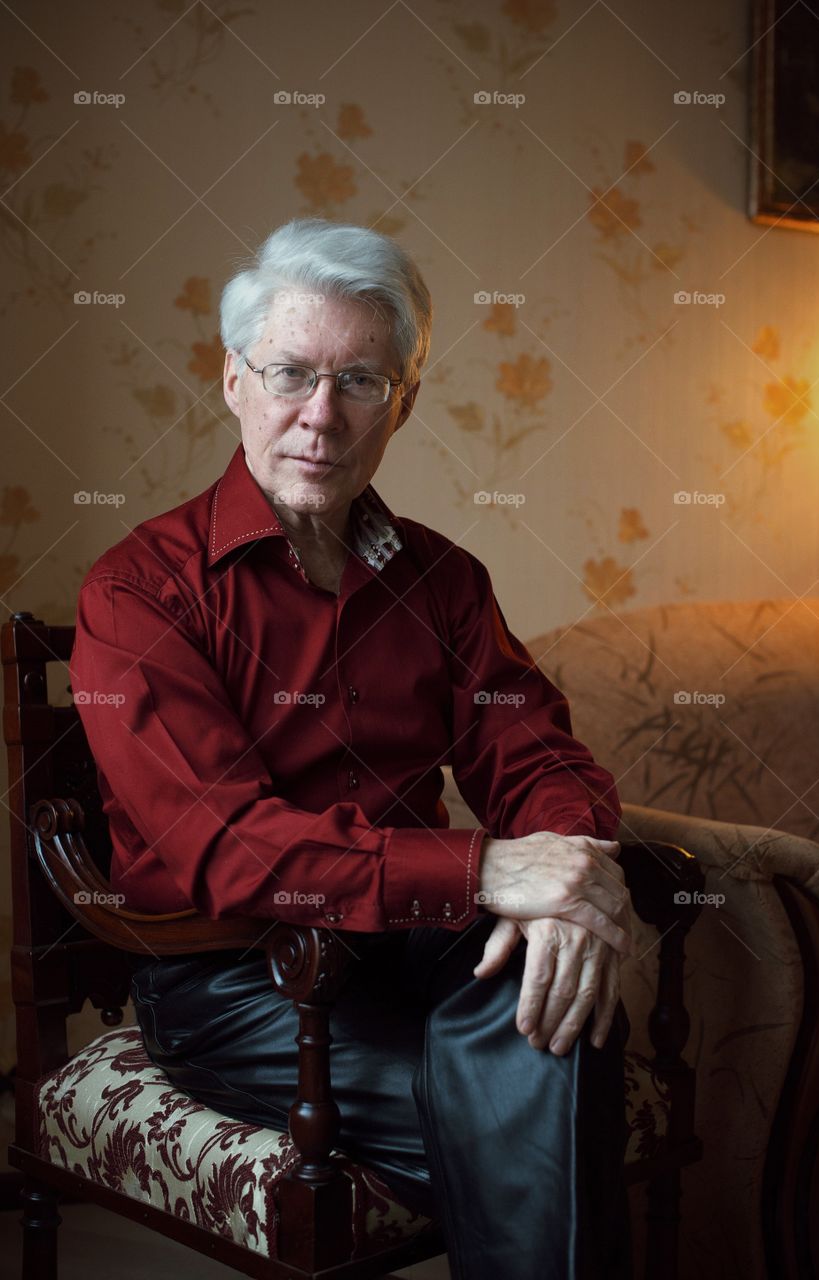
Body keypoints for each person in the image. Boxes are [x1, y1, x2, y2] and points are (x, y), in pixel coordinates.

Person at [71, 217, 633, 1279]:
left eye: (361, 382)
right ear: (231, 379)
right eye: (289, 372)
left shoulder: (443, 581)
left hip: (415, 946)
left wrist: (564, 865)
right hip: (230, 975)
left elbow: (537, 757)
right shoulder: (138, 589)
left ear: (403, 403)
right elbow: (228, 846)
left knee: (539, 1031)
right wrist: (487, 864)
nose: (320, 416)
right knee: (550, 1087)